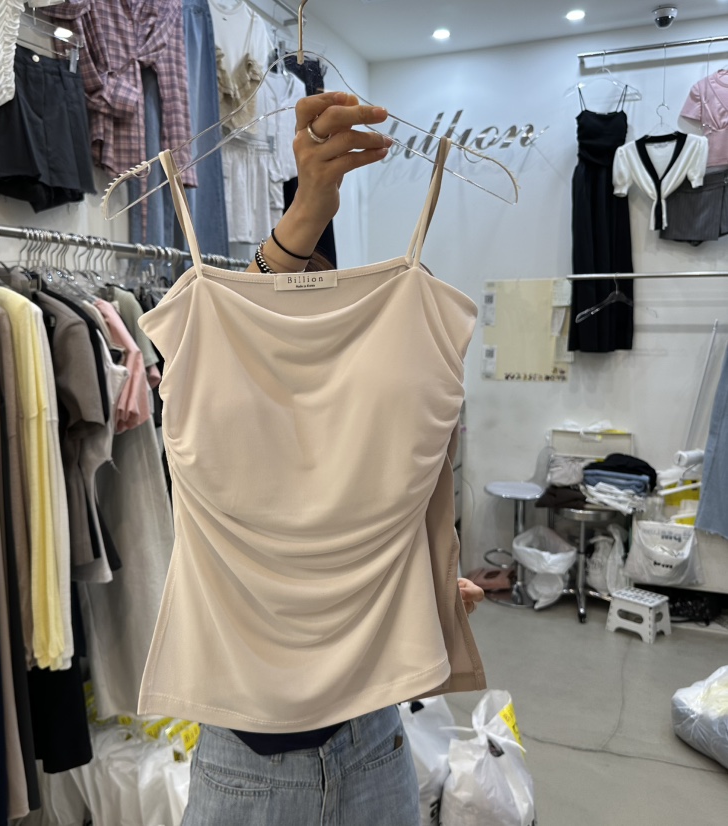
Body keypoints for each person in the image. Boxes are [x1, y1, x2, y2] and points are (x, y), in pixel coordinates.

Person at [146, 90, 486, 826]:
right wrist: (305, 212)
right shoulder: (208, 335)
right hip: (247, 760)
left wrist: (421, 580)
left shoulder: (412, 330)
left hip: (376, 738)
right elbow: (229, 336)